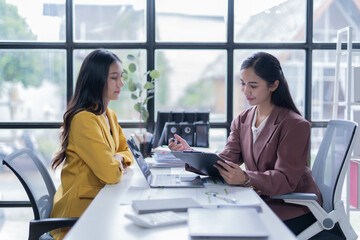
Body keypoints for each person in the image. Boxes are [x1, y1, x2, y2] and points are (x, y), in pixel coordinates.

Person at [169, 52, 344, 239]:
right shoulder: (243, 119)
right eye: (243, 84)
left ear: (273, 85)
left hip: (291, 209)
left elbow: (284, 180)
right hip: (259, 200)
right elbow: (227, 159)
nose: (245, 91)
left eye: (253, 85)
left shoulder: (294, 125)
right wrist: (191, 154)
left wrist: (245, 177)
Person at [50, 49, 134, 240]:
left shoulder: (109, 114)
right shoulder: (84, 120)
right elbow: (110, 173)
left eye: (121, 76)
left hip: (99, 205)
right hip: (79, 216)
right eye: (114, 77)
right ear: (96, 79)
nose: (121, 83)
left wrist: (118, 157)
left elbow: (127, 151)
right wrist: (117, 160)